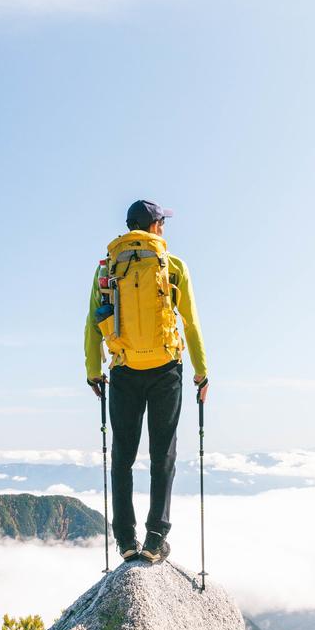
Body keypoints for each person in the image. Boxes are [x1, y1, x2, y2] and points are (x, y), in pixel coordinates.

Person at [84, 199, 209, 564]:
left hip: (123, 369)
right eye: (162, 223)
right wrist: (202, 371)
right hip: (166, 369)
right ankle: (155, 539)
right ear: (154, 226)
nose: (164, 229)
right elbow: (190, 322)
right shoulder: (173, 265)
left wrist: (95, 370)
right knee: (162, 454)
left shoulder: (107, 268)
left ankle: (125, 539)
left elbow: (93, 322)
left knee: (122, 456)